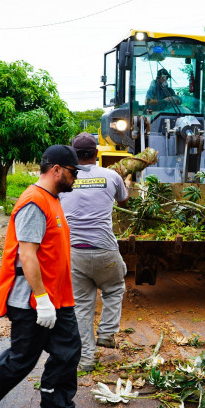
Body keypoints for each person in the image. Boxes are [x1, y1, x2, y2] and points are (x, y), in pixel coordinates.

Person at [0, 144, 90, 408]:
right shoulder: (34, 202)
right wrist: (42, 299)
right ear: (56, 170)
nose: (75, 177)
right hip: (33, 301)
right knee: (21, 360)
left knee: (68, 352)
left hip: (58, 299)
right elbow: (27, 255)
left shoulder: (52, 199)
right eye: (72, 172)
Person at [60, 132, 129, 373]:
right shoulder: (112, 175)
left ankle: (86, 360)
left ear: (73, 155)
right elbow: (124, 200)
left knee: (81, 308)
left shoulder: (64, 180)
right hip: (105, 250)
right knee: (114, 288)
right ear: (97, 154)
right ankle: (107, 333)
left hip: (75, 252)